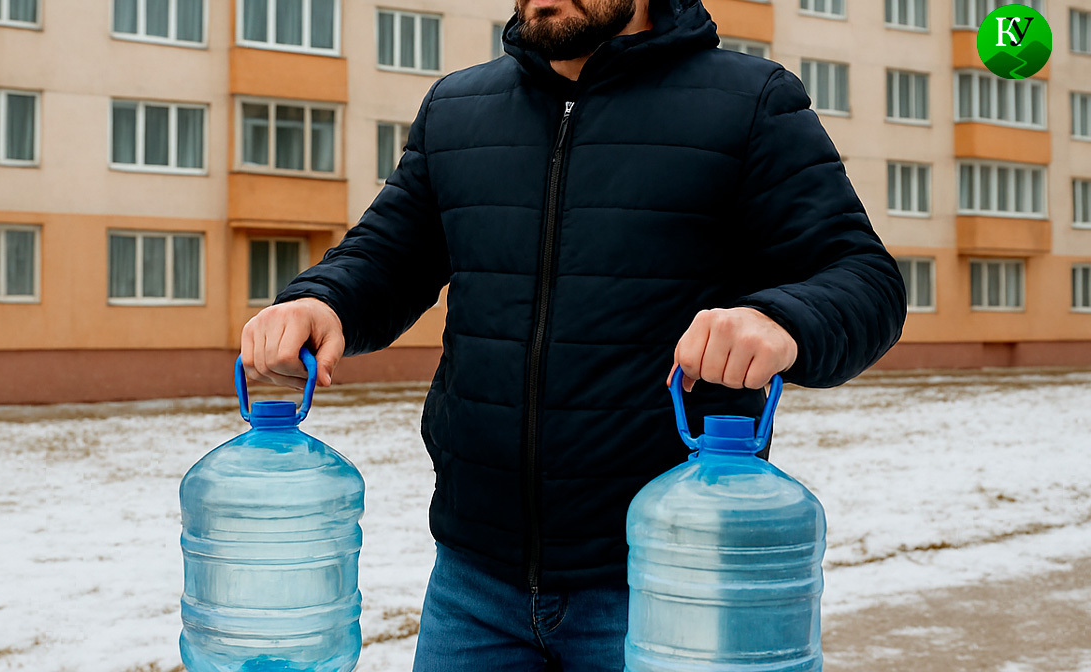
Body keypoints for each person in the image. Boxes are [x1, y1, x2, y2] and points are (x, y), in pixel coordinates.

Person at [240, 0, 907, 668]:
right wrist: (321, 301)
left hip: (665, 582)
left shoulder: (750, 102)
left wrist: (781, 318)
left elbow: (863, 277)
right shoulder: (457, 109)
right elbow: (385, 258)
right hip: (473, 585)